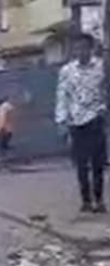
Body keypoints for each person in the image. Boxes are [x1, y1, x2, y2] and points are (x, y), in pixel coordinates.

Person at [56, 32, 107, 213]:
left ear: (91, 49)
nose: (81, 52)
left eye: (84, 48)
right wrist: (61, 121)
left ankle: (99, 200)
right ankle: (86, 200)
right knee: (81, 164)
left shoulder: (101, 67)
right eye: (77, 48)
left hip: (96, 119)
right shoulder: (67, 71)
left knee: (98, 163)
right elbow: (62, 96)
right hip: (76, 122)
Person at [0, 95, 16, 165]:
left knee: (2, 146)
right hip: (10, 129)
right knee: (5, 145)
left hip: (4, 130)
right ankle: (9, 157)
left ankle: (3, 161)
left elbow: (2, 118)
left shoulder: (2, 108)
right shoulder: (10, 107)